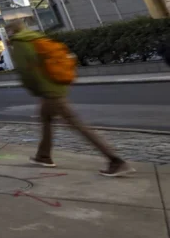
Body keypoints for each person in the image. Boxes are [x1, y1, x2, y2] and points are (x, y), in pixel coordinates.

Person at [8, 19, 133, 177]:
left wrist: (36, 90)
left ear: (12, 31)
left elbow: (26, 72)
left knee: (76, 124)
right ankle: (43, 156)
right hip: (56, 85)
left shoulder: (20, 43)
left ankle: (116, 161)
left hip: (49, 91)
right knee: (46, 118)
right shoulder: (36, 37)